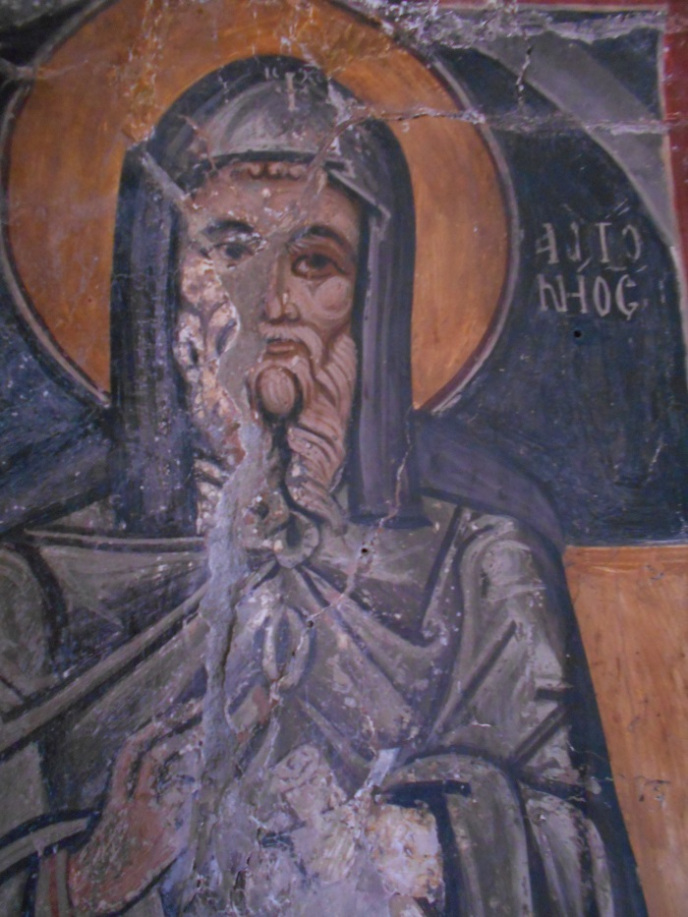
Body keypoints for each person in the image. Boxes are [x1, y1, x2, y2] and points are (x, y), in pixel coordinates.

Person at [0, 58, 645, 915]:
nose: (272, 305)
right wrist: (90, 878)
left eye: (314, 260)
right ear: (162, 289)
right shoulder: (36, 587)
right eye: (230, 248)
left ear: (368, 303)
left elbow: (585, 872)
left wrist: (419, 843)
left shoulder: (482, 568)